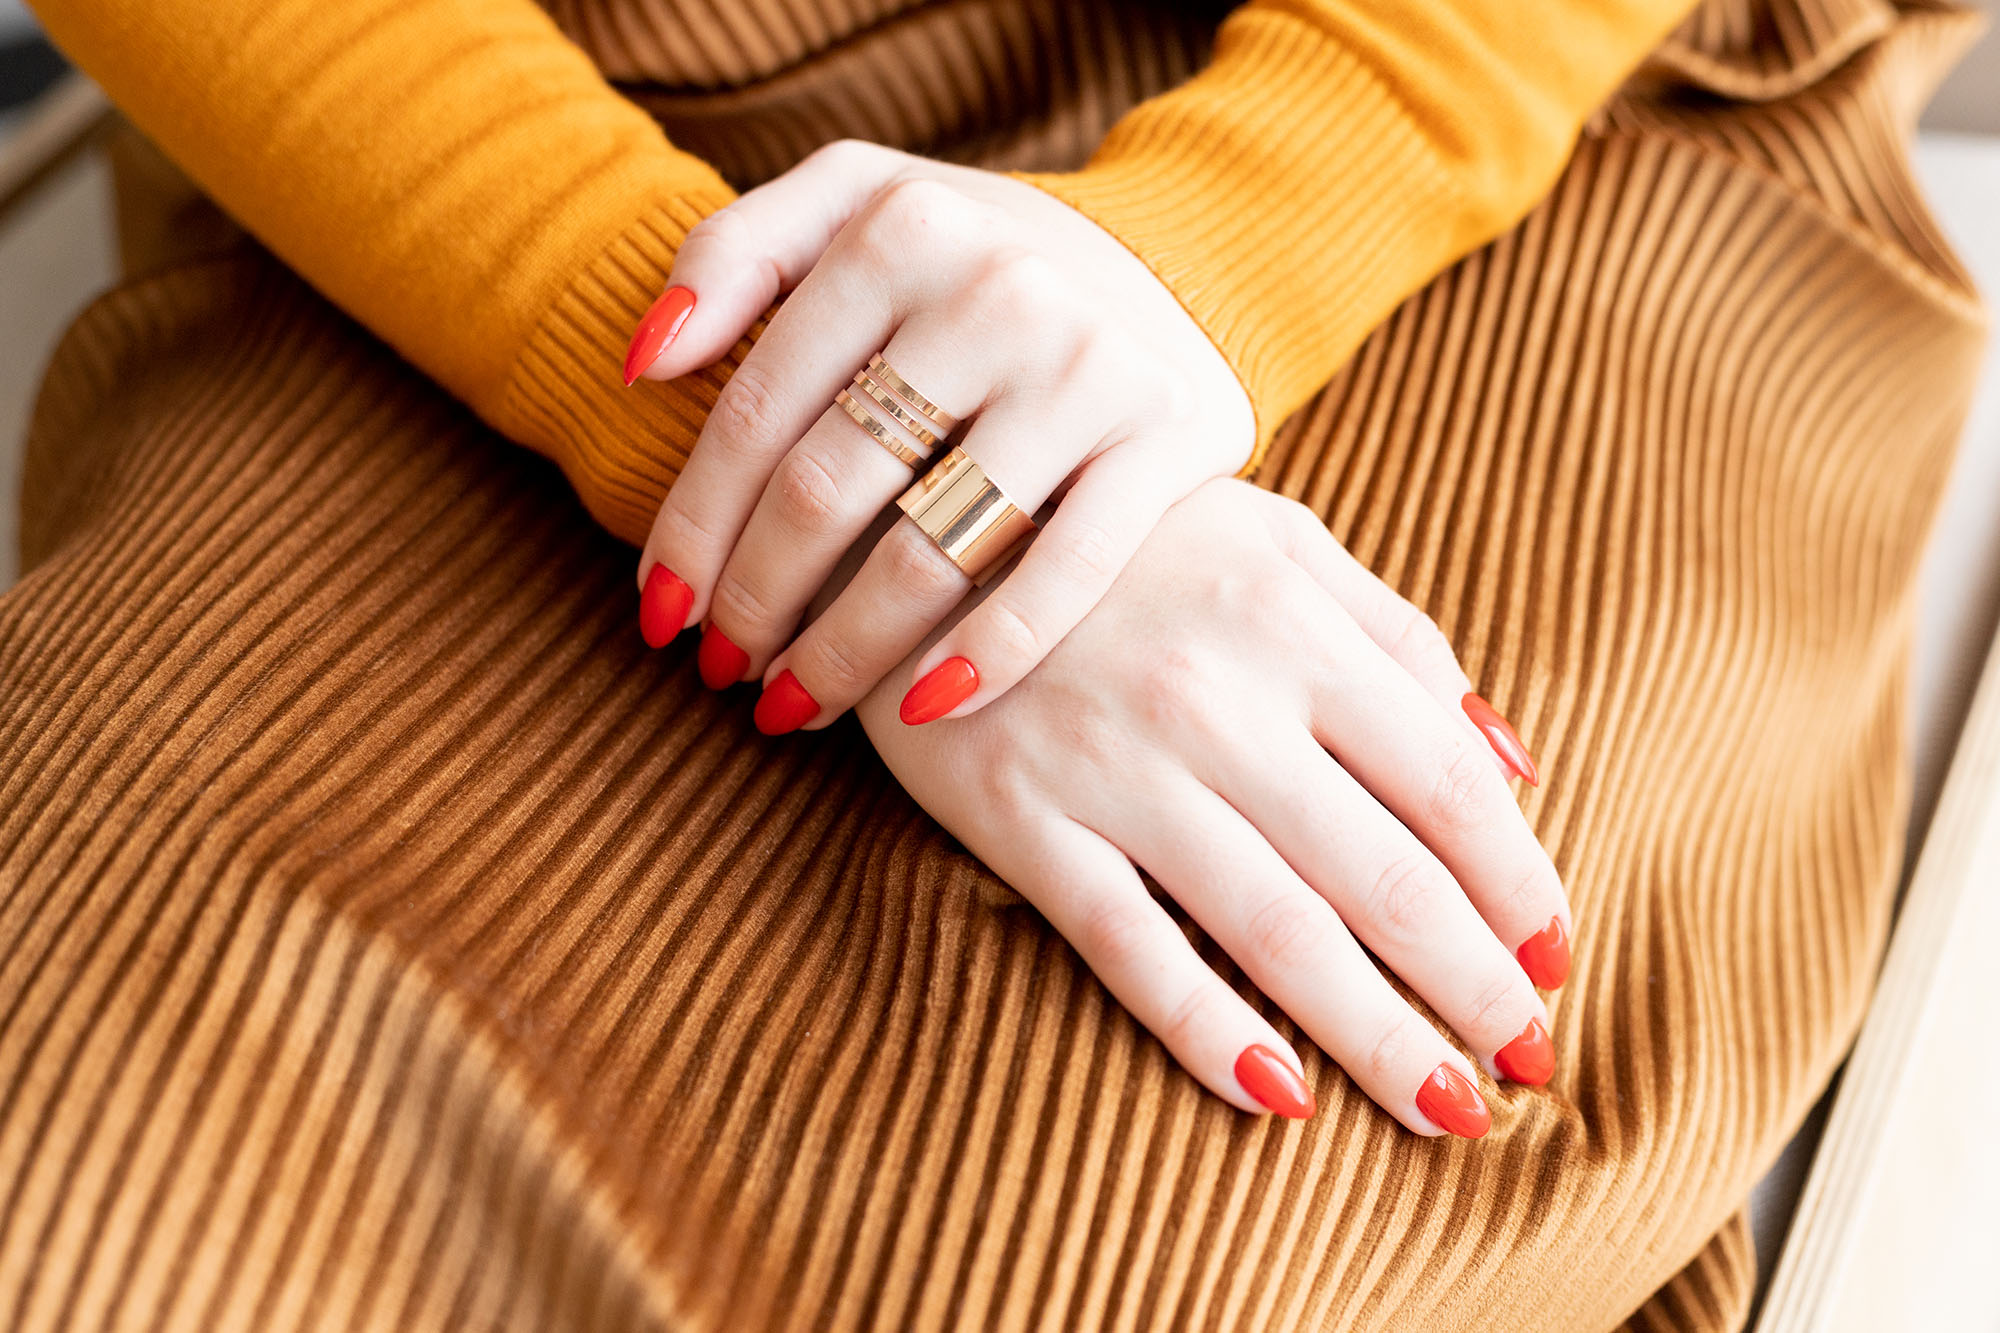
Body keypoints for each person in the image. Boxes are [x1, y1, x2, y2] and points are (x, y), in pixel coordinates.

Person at [0, 0, 1984, 1327]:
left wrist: (1217, 246)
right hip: (484, 153)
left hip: (1503, 115)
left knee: (1137, 1241)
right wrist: (820, 456)